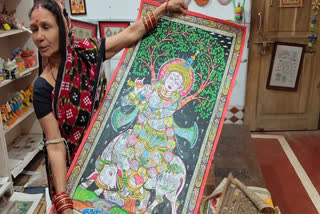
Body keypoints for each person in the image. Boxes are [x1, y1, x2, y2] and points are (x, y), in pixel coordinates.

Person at [29, 0, 189, 213]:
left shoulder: (86, 54)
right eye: (34, 29)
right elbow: (55, 146)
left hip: (98, 156)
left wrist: (162, 9)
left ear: (63, 27)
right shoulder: (41, 87)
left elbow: (130, 34)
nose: (39, 37)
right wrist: (63, 199)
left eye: (46, 27)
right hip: (66, 173)